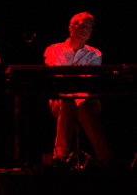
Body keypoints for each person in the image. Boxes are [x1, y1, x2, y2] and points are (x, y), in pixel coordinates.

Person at [44, 12, 111, 166]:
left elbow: (90, 82)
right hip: (61, 101)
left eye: (88, 27)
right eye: (81, 25)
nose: (84, 29)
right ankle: (60, 157)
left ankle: (104, 158)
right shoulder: (54, 50)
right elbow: (55, 79)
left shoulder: (95, 53)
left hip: (87, 100)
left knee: (82, 107)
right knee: (66, 103)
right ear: (71, 27)